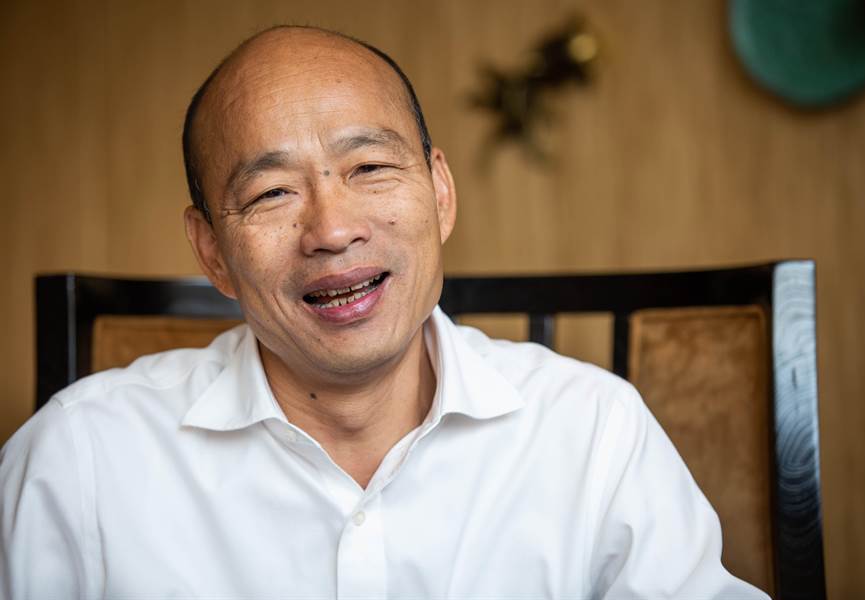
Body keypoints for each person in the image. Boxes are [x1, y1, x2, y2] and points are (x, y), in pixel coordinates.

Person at [0, 26, 768, 599]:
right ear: (211, 252)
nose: (333, 230)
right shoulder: (80, 461)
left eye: (369, 167)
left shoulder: (592, 430)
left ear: (441, 194)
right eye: (271, 193)